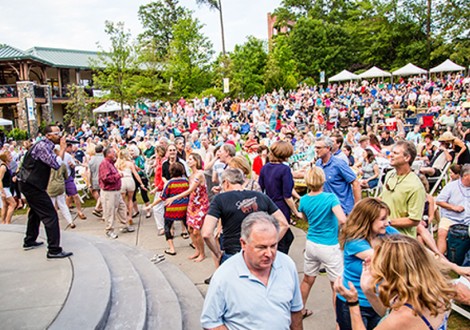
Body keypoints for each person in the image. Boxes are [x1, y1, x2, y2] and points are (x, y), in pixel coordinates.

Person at [200, 212, 303, 330]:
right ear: (243, 244)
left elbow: (295, 311)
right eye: (261, 247)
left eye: (273, 246)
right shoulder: (224, 276)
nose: (269, 254)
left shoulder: (287, 264)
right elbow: (211, 323)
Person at [335, 235, 455, 330]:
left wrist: (353, 304)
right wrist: (368, 290)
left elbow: (393, 320)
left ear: (392, 271)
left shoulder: (404, 316)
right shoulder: (432, 293)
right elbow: (387, 314)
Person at [202, 168, 289, 266]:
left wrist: (217, 253)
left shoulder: (220, 199)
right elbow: (284, 224)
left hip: (233, 254)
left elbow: (206, 233)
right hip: (259, 254)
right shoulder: (261, 196)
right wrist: (270, 243)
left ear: (226, 183)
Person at [336, 198, 399, 330]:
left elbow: (413, 248)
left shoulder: (389, 233)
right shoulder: (354, 241)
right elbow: (382, 259)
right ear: (367, 220)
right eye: (382, 219)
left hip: (379, 302)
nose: (387, 223)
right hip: (354, 302)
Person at [299, 166, 347, 319]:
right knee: (336, 284)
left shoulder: (304, 200)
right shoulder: (330, 198)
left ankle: (299, 310)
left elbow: (305, 218)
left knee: (307, 279)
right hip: (329, 244)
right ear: (323, 180)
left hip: (312, 242)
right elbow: (342, 219)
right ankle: (340, 320)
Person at [18, 125, 73, 258]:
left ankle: (29, 240)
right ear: (48, 135)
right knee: (50, 215)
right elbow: (55, 164)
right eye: (56, 133)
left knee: (35, 213)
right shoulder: (42, 147)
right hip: (31, 185)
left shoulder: (45, 145)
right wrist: (63, 149)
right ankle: (54, 250)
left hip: (29, 183)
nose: (60, 135)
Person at [161, 153, 210, 262]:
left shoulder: (199, 174)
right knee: (190, 229)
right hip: (192, 204)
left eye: (191, 159)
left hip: (201, 205)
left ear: (197, 160)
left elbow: (189, 190)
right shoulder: (190, 176)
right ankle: (197, 250)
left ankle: (202, 253)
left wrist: (173, 198)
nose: (188, 161)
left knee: (197, 231)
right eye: (188, 159)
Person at [259, 140, 300, 254]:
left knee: (283, 235)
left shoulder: (265, 168)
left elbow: (260, 189)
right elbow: (287, 195)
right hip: (281, 207)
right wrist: (296, 212)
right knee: (282, 238)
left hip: (269, 205)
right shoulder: (285, 170)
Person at [380, 141, 426, 238]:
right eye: (391, 152)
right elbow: (383, 199)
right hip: (382, 235)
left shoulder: (415, 186)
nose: (391, 155)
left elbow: (414, 220)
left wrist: (386, 222)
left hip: (402, 240)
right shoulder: (389, 175)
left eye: (395, 153)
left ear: (407, 158)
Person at [147, 162, 189, 255]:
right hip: (184, 208)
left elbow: (162, 197)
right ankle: (194, 243)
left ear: (171, 172)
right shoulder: (186, 182)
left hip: (171, 209)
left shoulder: (169, 183)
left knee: (167, 227)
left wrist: (151, 205)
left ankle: (172, 248)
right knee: (187, 225)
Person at [315, 136, 361, 215]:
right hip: (326, 209)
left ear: (328, 148)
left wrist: (357, 207)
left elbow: (355, 183)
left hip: (342, 208)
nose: (316, 150)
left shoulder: (339, 164)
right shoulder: (318, 164)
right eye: (315, 147)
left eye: (319, 148)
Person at [435, 164, 470, 265]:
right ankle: (439, 261)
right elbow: (439, 201)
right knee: (442, 232)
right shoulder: (451, 186)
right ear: (466, 176)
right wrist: (453, 207)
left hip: (468, 218)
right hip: (451, 217)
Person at [99, 146, 135, 239]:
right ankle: (109, 230)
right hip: (109, 191)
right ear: (108, 154)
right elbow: (105, 178)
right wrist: (118, 175)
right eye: (113, 152)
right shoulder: (104, 164)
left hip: (116, 190)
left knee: (122, 207)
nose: (115, 154)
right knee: (109, 211)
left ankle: (124, 225)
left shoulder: (111, 163)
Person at [47, 148, 75, 229]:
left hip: (51, 186)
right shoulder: (62, 165)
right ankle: (70, 221)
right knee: (63, 205)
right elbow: (66, 176)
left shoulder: (48, 166)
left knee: (51, 206)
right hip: (60, 186)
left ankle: (53, 223)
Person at [87, 144, 104, 218]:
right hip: (103, 180)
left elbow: (89, 173)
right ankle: (97, 208)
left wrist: (89, 183)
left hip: (94, 180)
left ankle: (101, 210)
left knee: (101, 195)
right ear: (102, 150)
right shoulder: (104, 159)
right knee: (103, 196)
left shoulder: (91, 160)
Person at [0, 151, 15, 224]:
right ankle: (7, 222)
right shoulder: (3, 167)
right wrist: (2, 191)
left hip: (7, 187)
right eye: (9, 155)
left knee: (5, 205)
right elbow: (0, 179)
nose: (11, 156)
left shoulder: (7, 166)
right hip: (4, 189)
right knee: (13, 204)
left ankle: (3, 222)